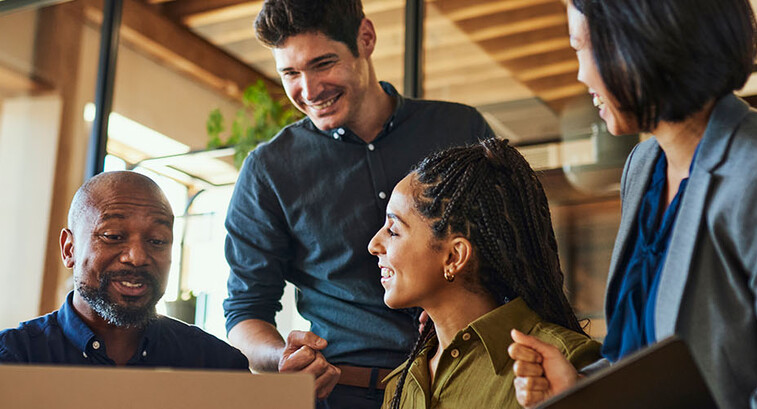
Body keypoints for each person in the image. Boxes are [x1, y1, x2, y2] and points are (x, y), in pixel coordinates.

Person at [222, 0, 494, 407]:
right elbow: (245, 313)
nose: (309, 90)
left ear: (365, 38)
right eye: (290, 73)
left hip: (473, 382)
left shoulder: (461, 128)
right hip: (343, 395)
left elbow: (514, 252)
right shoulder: (269, 169)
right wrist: (284, 358)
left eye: (323, 64)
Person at [508, 1, 757, 408]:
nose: (580, 74)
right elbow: (641, 354)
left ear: (641, 41)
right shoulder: (641, 168)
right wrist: (577, 387)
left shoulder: (750, 171)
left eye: (582, 47)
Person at [368, 138, 601, 409]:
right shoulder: (403, 385)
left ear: (454, 257)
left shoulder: (562, 364)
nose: (373, 245)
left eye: (393, 230)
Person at [0, 171, 248, 370]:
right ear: (69, 249)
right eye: (113, 236)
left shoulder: (215, 366)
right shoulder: (15, 360)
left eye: (158, 241)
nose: (137, 257)